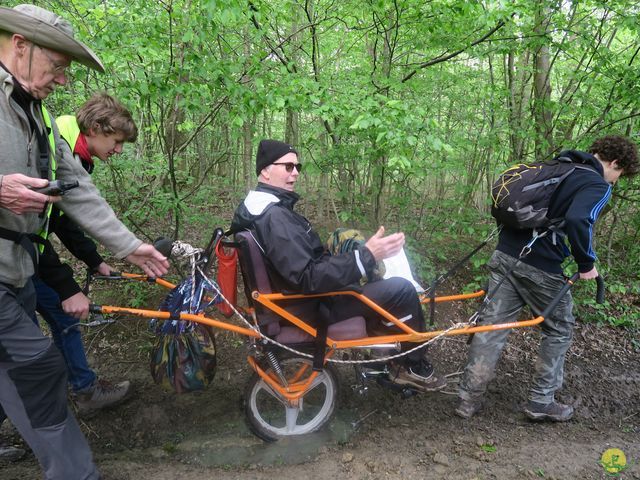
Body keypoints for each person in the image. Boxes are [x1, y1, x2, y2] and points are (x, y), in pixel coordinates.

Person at [0, 5, 169, 479]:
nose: (63, 81)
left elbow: (78, 198)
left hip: (18, 272)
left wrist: (128, 247)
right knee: (36, 365)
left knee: (16, 371)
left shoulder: (38, 118)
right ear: (20, 45)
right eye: (57, 67)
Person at [231, 139, 445, 392]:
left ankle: (383, 353)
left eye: (297, 166)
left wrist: (358, 257)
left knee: (361, 258)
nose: (296, 172)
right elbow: (307, 277)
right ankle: (408, 366)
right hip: (308, 306)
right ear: (265, 170)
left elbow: (301, 264)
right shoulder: (275, 218)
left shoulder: (261, 210)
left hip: (295, 301)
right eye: (288, 167)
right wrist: (366, 256)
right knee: (402, 290)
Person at [457, 135, 639, 422]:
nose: (615, 181)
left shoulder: (558, 167)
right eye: (619, 175)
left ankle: (468, 398)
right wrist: (586, 263)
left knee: (492, 328)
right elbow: (581, 220)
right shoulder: (596, 184)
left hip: (505, 255)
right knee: (560, 328)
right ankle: (542, 401)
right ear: (614, 163)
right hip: (541, 265)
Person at [33, 93, 139, 416]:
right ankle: (80, 391)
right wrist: (67, 286)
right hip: (19, 257)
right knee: (18, 357)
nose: (118, 150)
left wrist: (95, 261)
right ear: (95, 127)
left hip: (31, 256)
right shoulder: (55, 144)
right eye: (116, 141)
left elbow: (63, 221)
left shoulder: (75, 153)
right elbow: (32, 228)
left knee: (57, 323)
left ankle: (84, 387)